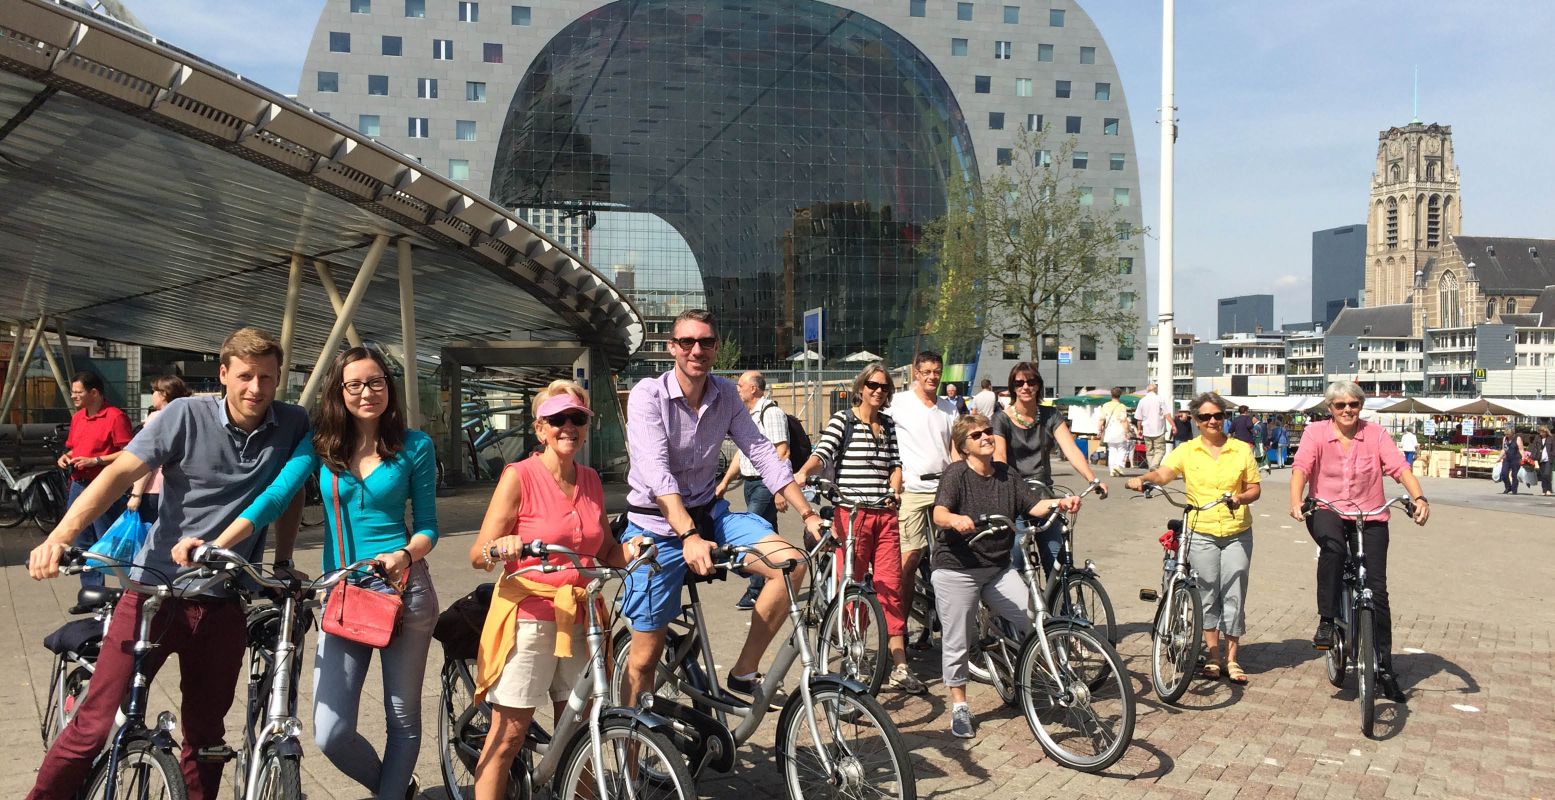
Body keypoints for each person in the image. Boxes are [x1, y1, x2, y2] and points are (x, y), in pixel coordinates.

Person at [26, 327, 310, 800]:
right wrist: (59, 537)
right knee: (93, 725)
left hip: (223, 601)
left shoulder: (292, 423)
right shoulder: (184, 414)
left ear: (279, 378)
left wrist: (282, 560)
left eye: (266, 377)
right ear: (223, 374)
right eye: (244, 376)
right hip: (153, 595)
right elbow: (119, 473)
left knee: (207, 737)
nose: (255, 388)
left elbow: (290, 490)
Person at [179, 345, 439, 800]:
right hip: (344, 595)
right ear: (339, 391)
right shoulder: (323, 443)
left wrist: (404, 553)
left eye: (376, 382)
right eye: (354, 384)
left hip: (402, 592)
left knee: (401, 719)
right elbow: (277, 497)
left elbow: (430, 527)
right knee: (330, 730)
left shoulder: (415, 445)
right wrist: (217, 543)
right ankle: (397, 788)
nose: (366, 393)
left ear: (389, 388)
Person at [619, 310, 826, 709]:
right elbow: (656, 473)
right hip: (658, 528)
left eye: (707, 342)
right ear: (672, 348)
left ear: (715, 347)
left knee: (792, 564)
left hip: (709, 516)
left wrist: (808, 514)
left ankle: (744, 671)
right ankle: (626, 758)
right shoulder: (649, 394)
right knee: (643, 658)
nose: (697, 350)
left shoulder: (726, 393)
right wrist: (687, 536)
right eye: (687, 342)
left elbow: (762, 453)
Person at [467, 381, 645, 800]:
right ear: (540, 429)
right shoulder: (520, 476)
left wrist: (633, 549)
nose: (568, 426)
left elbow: (604, 549)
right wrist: (501, 546)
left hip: (581, 620)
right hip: (529, 619)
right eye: (557, 419)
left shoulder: (591, 480)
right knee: (508, 737)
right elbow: (478, 553)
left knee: (579, 736)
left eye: (577, 418)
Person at [932, 413, 1081, 738]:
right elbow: (939, 512)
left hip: (997, 568)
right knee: (958, 640)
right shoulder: (956, 474)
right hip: (958, 569)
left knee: (1032, 615)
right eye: (977, 435)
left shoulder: (1005, 474)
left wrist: (1061, 503)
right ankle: (959, 705)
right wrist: (956, 520)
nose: (986, 436)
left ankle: (1024, 662)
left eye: (988, 431)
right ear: (964, 447)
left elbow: (1033, 505)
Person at [1289, 380, 1429, 704]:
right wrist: (1296, 500)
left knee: (1377, 591)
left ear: (1360, 407)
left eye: (1353, 404)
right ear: (1330, 409)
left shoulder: (1376, 434)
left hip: (1371, 515)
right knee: (1334, 549)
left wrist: (1419, 498)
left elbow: (1398, 468)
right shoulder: (1315, 433)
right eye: (1341, 406)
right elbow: (1302, 467)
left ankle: (1385, 669)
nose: (1348, 410)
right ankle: (1327, 621)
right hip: (1327, 508)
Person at [793, 363, 923, 693]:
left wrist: (895, 490)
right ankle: (856, 656)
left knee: (891, 587)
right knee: (850, 587)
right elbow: (823, 453)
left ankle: (900, 666)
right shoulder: (844, 420)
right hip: (851, 516)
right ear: (861, 387)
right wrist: (803, 473)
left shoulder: (888, 425)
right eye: (874, 385)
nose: (879, 391)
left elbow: (895, 465)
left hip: (885, 516)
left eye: (885, 388)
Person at [1126, 392, 1261, 685]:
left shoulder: (1240, 449)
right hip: (1200, 530)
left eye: (1218, 415)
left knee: (1235, 589)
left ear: (1224, 418)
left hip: (1237, 530)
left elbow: (1254, 488)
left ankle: (1233, 658)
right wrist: (1144, 479)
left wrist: (1240, 498)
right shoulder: (1187, 450)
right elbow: (1165, 473)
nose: (1213, 421)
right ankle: (1213, 656)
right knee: (1207, 591)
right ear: (1196, 421)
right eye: (1205, 417)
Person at [990, 362, 1104, 575]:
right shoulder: (1001, 419)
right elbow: (1000, 458)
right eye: (1019, 383)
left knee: (1056, 560)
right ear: (1013, 387)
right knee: (1014, 558)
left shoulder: (1051, 415)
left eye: (1031, 382)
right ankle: (1013, 607)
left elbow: (1071, 450)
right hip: (1014, 495)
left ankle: (1061, 608)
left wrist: (1092, 479)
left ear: (1038, 386)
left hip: (1044, 494)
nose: (1025, 387)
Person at [887, 351, 961, 641]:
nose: (932, 377)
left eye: (937, 371)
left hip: (944, 490)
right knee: (910, 559)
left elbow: (954, 449)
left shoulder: (948, 407)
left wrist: (961, 480)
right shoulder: (899, 403)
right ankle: (898, 630)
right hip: (913, 491)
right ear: (916, 373)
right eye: (926, 371)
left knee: (952, 558)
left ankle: (947, 622)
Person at [715, 370, 788, 610]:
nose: (737, 389)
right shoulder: (750, 415)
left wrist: (778, 489)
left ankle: (756, 590)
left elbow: (782, 452)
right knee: (769, 534)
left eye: (740, 385)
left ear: (754, 389)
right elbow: (741, 454)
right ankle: (781, 579)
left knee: (753, 536)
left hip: (764, 485)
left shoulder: (772, 413)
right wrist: (725, 482)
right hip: (750, 483)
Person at [56, 370, 134, 588]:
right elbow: (74, 448)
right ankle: (91, 592)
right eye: (73, 392)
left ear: (94, 393)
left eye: (78, 392)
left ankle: (128, 591)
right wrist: (66, 457)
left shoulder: (115, 416)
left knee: (108, 539)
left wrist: (97, 461)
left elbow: (129, 453)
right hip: (78, 484)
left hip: (104, 486)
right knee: (81, 538)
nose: (73, 396)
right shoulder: (78, 417)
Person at [126, 374, 192, 524]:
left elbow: (147, 459)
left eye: (154, 391)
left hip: (153, 489)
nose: (152, 395)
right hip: (179, 488)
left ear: (164, 394)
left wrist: (136, 494)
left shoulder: (156, 418)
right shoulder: (187, 415)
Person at [1133, 383, 1173, 470]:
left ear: (1147, 390)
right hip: (1158, 429)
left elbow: (1139, 418)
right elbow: (1167, 414)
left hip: (1147, 430)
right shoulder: (1160, 399)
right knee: (1160, 450)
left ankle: (1152, 468)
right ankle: (1154, 466)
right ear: (1156, 390)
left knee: (1149, 451)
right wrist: (1173, 425)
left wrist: (1139, 429)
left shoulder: (1142, 401)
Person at [1097, 387, 1133, 477]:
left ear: (1111, 394)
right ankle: (1118, 465)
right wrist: (1127, 431)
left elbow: (1101, 419)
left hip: (1109, 430)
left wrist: (1099, 430)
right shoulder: (1121, 406)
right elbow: (1123, 420)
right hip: (1119, 430)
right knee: (1122, 448)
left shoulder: (1105, 405)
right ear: (1120, 395)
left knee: (1112, 450)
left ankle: (1112, 470)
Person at [1499, 427, 1526, 495]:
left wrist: (1523, 457)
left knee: (1515, 475)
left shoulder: (1517, 438)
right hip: (1507, 458)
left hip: (1516, 458)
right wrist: (1499, 457)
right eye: (1506, 434)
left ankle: (1514, 489)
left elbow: (1521, 449)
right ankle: (1508, 487)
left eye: (1508, 434)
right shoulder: (1505, 439)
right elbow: (1503, 449)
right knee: (1504, 473)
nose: (1507, 435)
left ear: (1512, 434)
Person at [1535, 426, 1555, 496]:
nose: (1541, 433)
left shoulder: (1551, 438)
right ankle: (1544, 490)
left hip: (1548, 459)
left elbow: (1554, 448)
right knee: (1543, 475)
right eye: (1540, 431)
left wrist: (1552, 455)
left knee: (1547, 474)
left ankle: (1549, 489)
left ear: (1546, 432)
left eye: (1542, 432)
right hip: (1540, 459)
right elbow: (1534, 447)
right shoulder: (1537, 438)